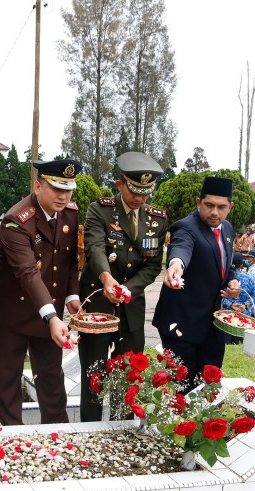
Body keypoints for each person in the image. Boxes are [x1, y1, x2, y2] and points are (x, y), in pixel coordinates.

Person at [0, 159, 82, 425]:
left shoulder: (70, 213)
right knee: (8, 381)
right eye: (56, 188)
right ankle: (14, 439)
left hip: (47, 312)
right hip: (11, 317)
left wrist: (72, 296)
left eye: (68, 189)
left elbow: (70, 260)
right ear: (38, 185)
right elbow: (28, 273)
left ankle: (58, 436)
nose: (63, 196)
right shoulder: (16, 220)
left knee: (52, 379)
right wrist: (53, 317)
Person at [78, 151, 167, 421]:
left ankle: (121, 429)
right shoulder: (100, 210)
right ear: (120, 185)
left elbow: (153, 265)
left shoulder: (157, 219)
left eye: (146, 193)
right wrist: (107, 279)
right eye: (134, 192)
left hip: (131, 309)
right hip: (98, 305)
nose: (140, 199)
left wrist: (129, 288)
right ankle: (89, 430)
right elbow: (94, 248)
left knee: (129, 376)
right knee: (93, 375)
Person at [152, 176, 240, 392]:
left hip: (213, 326)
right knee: (180, 391)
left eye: (221, 207)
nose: (214, 213)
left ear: (230, 206)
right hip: (181, 325)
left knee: (209, 389)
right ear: (198, 202)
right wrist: (176, 266)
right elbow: (182, 249)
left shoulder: (227, 229)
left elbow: (223, 264)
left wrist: (232, 280)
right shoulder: (186, 227)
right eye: (209, 205)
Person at [221, 252, 255, 345]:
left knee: (225, 344)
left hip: (226, 316)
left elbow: (219, 296)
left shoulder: (225, 279)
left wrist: (230, 304)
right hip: (244, 319)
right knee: (240, 344)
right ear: (241, 264)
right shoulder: (248, 278)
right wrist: (245, 305)